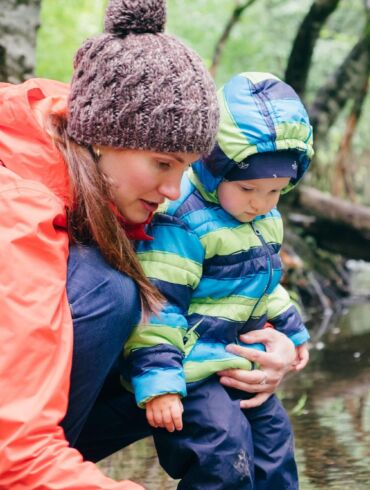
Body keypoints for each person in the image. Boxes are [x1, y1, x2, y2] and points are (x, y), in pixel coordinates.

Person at [0, 0, 220, 488]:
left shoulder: (93, 162)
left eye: (185, 169)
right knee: (110, 292)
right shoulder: (17, 211)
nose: (171, 191)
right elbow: (13, 450)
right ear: (102, 137)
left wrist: (267, 350)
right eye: (163, 164)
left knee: (190, 342)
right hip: (13, 448)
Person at [123, 72, 314, 489]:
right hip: (192, 368)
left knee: (274, 445)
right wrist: (159, 381)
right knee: (222, 453)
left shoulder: (263, 218)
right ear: (215, 169)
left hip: (236, 357)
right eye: (248, 188)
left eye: (276, 191)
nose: (260, 204)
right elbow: (158, 302)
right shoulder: (184, 223)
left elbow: (263, 283)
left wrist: (292, 330)